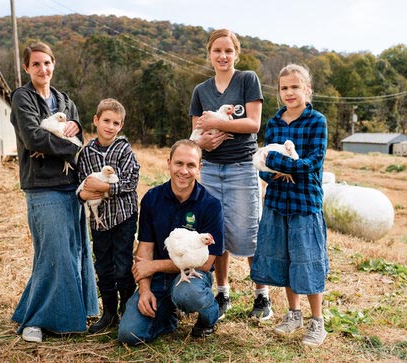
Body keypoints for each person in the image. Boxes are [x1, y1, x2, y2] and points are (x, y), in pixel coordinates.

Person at [10, 41, 98, 343]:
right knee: (53, 253)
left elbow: (80, 136)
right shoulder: (22, 97)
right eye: (35, 64)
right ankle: (37, 321)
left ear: (53, 64)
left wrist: (73, 132)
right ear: (27, 68)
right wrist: (70, 150)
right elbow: (33, 138)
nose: (42, 69)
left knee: (74, 250)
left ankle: (74, 310)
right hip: (42, 186)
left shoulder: (64, 99)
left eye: (46, 63)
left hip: (71, 186)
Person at [189, 29, 272, 320]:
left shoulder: (248, 79)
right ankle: (222, 292)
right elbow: (195, 135)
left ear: (236, 53)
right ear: (209, 54)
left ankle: (262, 295)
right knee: (216, 234)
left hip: (241, 169)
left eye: (228, 51)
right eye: (217, 51)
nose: (223, 56)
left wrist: (218, 121)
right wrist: (203, 141)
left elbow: (253, 124)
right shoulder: (201, 91)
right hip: (210, 169)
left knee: (249, 233)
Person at [250, 64, 329, 347]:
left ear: (307, 89)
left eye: (295, 87)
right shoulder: (274, 123)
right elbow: (262, 165)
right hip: (277, 201)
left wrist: (283, 165)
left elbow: (312, 163)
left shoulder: (316, 121)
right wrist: (278, 167)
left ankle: (317, 322)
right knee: (285, 260)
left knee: (307, 261)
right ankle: (293, 314)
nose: (290, 92)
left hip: (305, 203)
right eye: (284, 88)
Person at [118, 140, 224, 345]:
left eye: (191, 165)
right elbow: (145, 251)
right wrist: (145, 290)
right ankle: (167, 314)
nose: (184, 171)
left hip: (193, 277)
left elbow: (205, 263)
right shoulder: (152, 198)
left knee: (188, 292)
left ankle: (210, 315)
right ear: (168, 163)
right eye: (179, 163)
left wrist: (155, 265)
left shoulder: (211, 205)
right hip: (157, 280)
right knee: (129, 335)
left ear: (199, 168)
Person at [76, 98, 140, 334]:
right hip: (99, 220)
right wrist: (88, 191)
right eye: (106, 121)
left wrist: (103, 188)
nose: (110, 126)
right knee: (103, 265)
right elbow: (82, 185)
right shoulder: (87, 153)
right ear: (96, 120)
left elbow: (131, 182)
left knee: (123, 264)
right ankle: (109, 312)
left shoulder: (124, 149)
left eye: (116, 122)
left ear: (121, 125)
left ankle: (127, 309)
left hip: (124, 217)